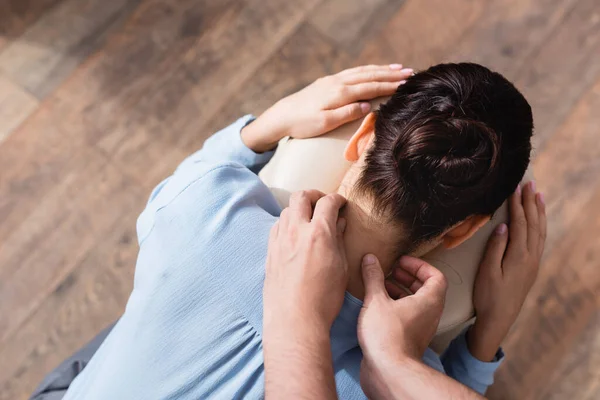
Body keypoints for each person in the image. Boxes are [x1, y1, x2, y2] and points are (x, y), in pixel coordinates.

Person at [61, 62, 538, 399]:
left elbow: (197, 174)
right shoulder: (400, 380)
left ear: (361, 137)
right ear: (464, 231)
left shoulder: (204, 209)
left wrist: (268, 124)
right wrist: (486, 334)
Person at [263, 185, 545, 399]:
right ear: (463, 229)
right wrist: (491, 328)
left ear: (363, 139)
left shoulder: (226, 205)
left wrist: (256, 134)